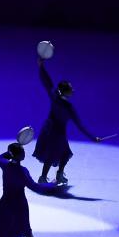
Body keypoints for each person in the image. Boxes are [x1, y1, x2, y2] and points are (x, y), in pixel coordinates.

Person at [33, 57, 103, 186]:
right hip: (53, 132)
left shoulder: (56, 97)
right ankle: (44, 177)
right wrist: (93, 138)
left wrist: (41, 67)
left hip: (54, 132)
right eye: (71, 89)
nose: (73, 90)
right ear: (65, 91)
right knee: (55, 155)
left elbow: (46, 82)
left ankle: (56, 175)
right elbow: (80, 126)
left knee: (62, 155)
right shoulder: (68, 107)